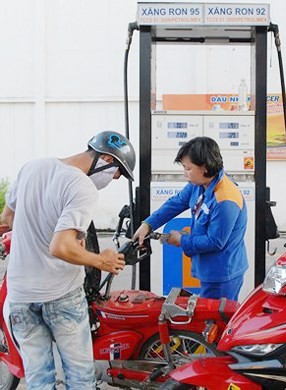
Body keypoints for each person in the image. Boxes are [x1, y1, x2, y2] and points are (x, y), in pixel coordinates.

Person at [0, 131, 136, 389]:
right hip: (60, 295)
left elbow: (8, 218)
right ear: (105, 158)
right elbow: (61, 246)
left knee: (39, 378)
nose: (114, 178)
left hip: (20, 295)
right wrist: (101, 260)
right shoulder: (82, 187)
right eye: (117, 172)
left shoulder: (32, 167)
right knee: (80, 377)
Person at [133, 136, 248, 301]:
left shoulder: (225, 199)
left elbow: (216, 241)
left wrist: (182, 240)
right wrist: (148, 224)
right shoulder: (200, 184)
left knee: (215, 319)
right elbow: (176, 203)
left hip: (222, 272)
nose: (184, 173)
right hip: (208, 267)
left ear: (205, 167)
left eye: (188, 168)